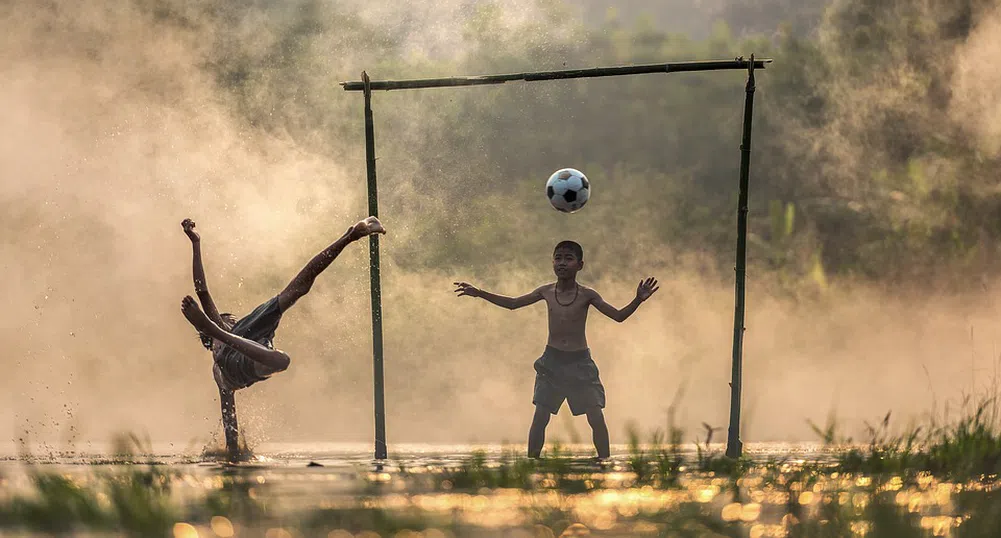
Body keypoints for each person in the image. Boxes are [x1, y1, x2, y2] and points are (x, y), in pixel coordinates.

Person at [179, 216, 386, 460]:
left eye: (228, 322)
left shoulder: (241, 330)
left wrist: (196, 243)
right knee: (280, 355)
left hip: (250, 343)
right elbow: (201, 291)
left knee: (297, 290)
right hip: (236, 359)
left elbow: (202, 290)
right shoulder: (221, 350)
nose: (232, 320)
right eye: (227, 321)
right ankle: (349, 236)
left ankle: (350, 235)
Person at [453, 240, 658, 459]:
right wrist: (480, 293)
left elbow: (618, 316)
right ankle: (532, 464)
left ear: (580, 265)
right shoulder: (546, 291)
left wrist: (638, 300)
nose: (562, 263)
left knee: (596, 416)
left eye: (568, 259)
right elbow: (513, 303)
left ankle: (604, 462)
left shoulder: (588, 295)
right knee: (540, 416)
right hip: (552, 362)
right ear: (552, 262)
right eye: (558, 258)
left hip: (580, 363)